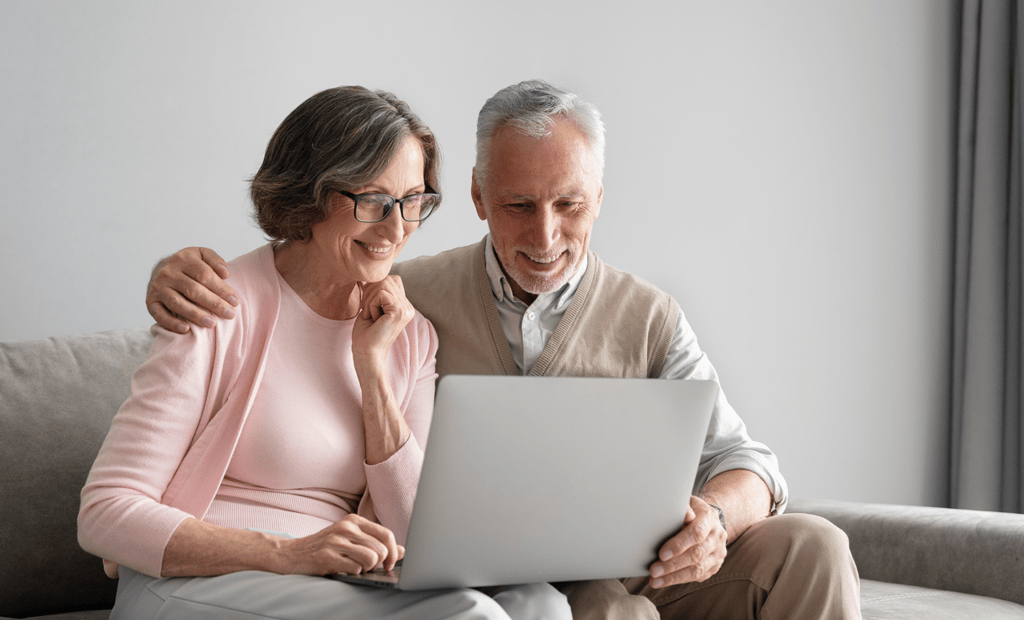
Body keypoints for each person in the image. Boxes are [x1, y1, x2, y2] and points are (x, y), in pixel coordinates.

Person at [145, 80, 862, 619]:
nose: (545, 236)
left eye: (569, 205)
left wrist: (715, 518)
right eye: (519, 206)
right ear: (479, 197)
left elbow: (746, 460)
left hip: (642, 561)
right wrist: (179, 276)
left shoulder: (651, 316)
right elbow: (300, 268)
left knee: (812, 546)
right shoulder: (399, 292)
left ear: (600, 198)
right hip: (498, 578)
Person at [79, 86, 572, 620]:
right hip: (195, 581)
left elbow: (415, 536)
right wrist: (291, 554)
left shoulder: (408, 334)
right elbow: (106, 513)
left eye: (412, 201)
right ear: (308, 195)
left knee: (539, 604)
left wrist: (374, 372)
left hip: (332, 579)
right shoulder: (216, 303)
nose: (395, 228)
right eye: (372, 201)